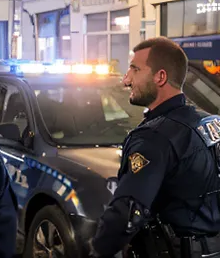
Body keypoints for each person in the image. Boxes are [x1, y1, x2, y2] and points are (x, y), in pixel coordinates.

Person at [90, 37, 220, 257]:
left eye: (134, 69)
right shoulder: (211, 122)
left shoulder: (154, 138)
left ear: (160, 77)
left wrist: (99, 250)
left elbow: (128, 212)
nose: (126, 80)